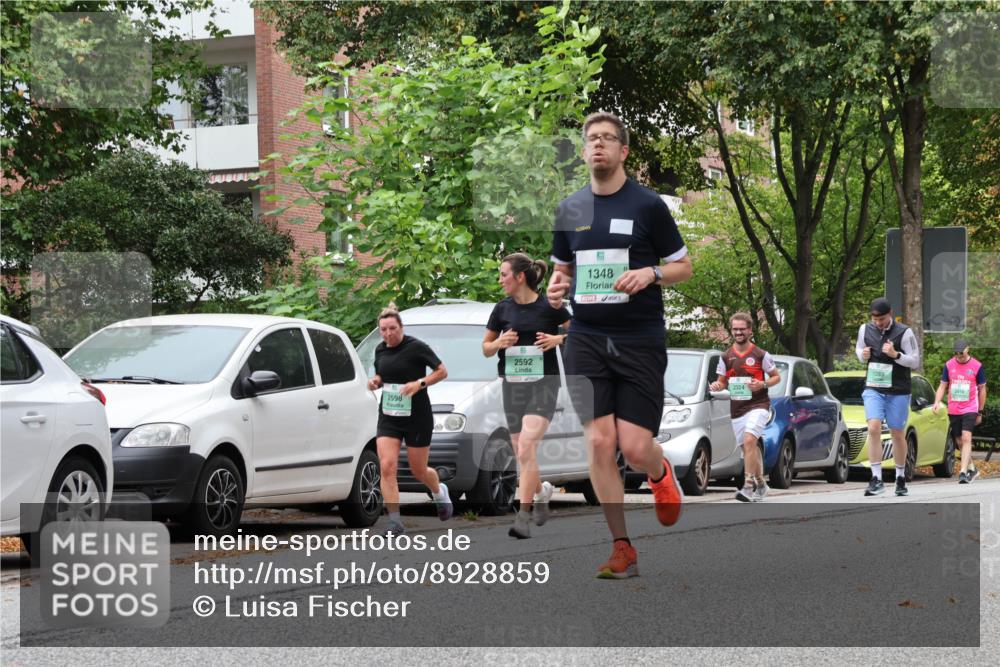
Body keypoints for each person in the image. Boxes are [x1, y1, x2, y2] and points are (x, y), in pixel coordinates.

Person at [546, 111, 692, 579]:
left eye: (608, 139)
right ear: (584, 149)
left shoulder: (648, 206)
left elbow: (683, 267)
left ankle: (658, 470)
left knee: (633, 447)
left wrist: (650, 273)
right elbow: (562, 272)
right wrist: (554, 289)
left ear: (624, 151)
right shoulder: (569, 210)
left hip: (639, 338)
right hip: (586, 336)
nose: (599, 146)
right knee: (598, 440)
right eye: (592, 139)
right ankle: (621, 545)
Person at [483, 253, 572, 539]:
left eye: (503, 274)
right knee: (523, 452)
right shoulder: (501, 309)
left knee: (525, 448)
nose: (500, 280)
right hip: (513, 386)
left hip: (544, 384)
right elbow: (485, 348)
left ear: (519, 277)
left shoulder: (549, 306)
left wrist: (558, 339)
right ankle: (542, 491)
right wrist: (499, 342)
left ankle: (523, 516)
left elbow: (581, 333)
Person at [367, 306, 451, 535]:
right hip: (389, 415)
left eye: (392, 328)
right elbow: (382, 375)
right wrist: (376, 381)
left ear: (401, 328)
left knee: (419, 470)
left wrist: (419, 384)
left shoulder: (416, 347)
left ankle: (438, 491)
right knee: (387, 466)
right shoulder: (380, 350)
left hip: (417, 416)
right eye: (383, 330)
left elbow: (442, 371)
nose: (388, 334)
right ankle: (394, 521)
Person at [709, 313, 782, 502]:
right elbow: (722, 381)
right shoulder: (726, 356)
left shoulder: (761, 354)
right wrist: (718, 386)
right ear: (731, 330)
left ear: (750, 330)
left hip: (759, 405)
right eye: (735, 329)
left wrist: (762, 385)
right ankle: (761, 484)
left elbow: (776, 377)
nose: (739, 332)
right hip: (738, 409)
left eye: (742, 329)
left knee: (750, 441)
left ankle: (748, 486)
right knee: (748, 449)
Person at [855, 297, 920, 497]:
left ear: (890, 313)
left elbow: (915, 361)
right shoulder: (865, 329)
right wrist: (862, 355)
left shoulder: (904, 332)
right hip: (874, 388)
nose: (878, 323)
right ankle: (876, 478)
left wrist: (896, 355)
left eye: (881, 319)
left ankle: (900, 477)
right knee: (873, 427)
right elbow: (859, 350)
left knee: (897, 433)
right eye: (875, 319)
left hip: (898, 390)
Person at [933, 339, 988, 483]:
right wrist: (936, 402)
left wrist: (980, 411)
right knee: (959, 441)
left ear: (968, 349)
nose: (959, 357)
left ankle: (963, 472)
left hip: (970, 407)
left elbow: (982, 390)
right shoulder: (949, 365)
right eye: (957, 355)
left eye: (962, 354)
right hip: (954, 408)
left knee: (966, 438)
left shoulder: (977, 366)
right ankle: (972, 468)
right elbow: (942, 385)